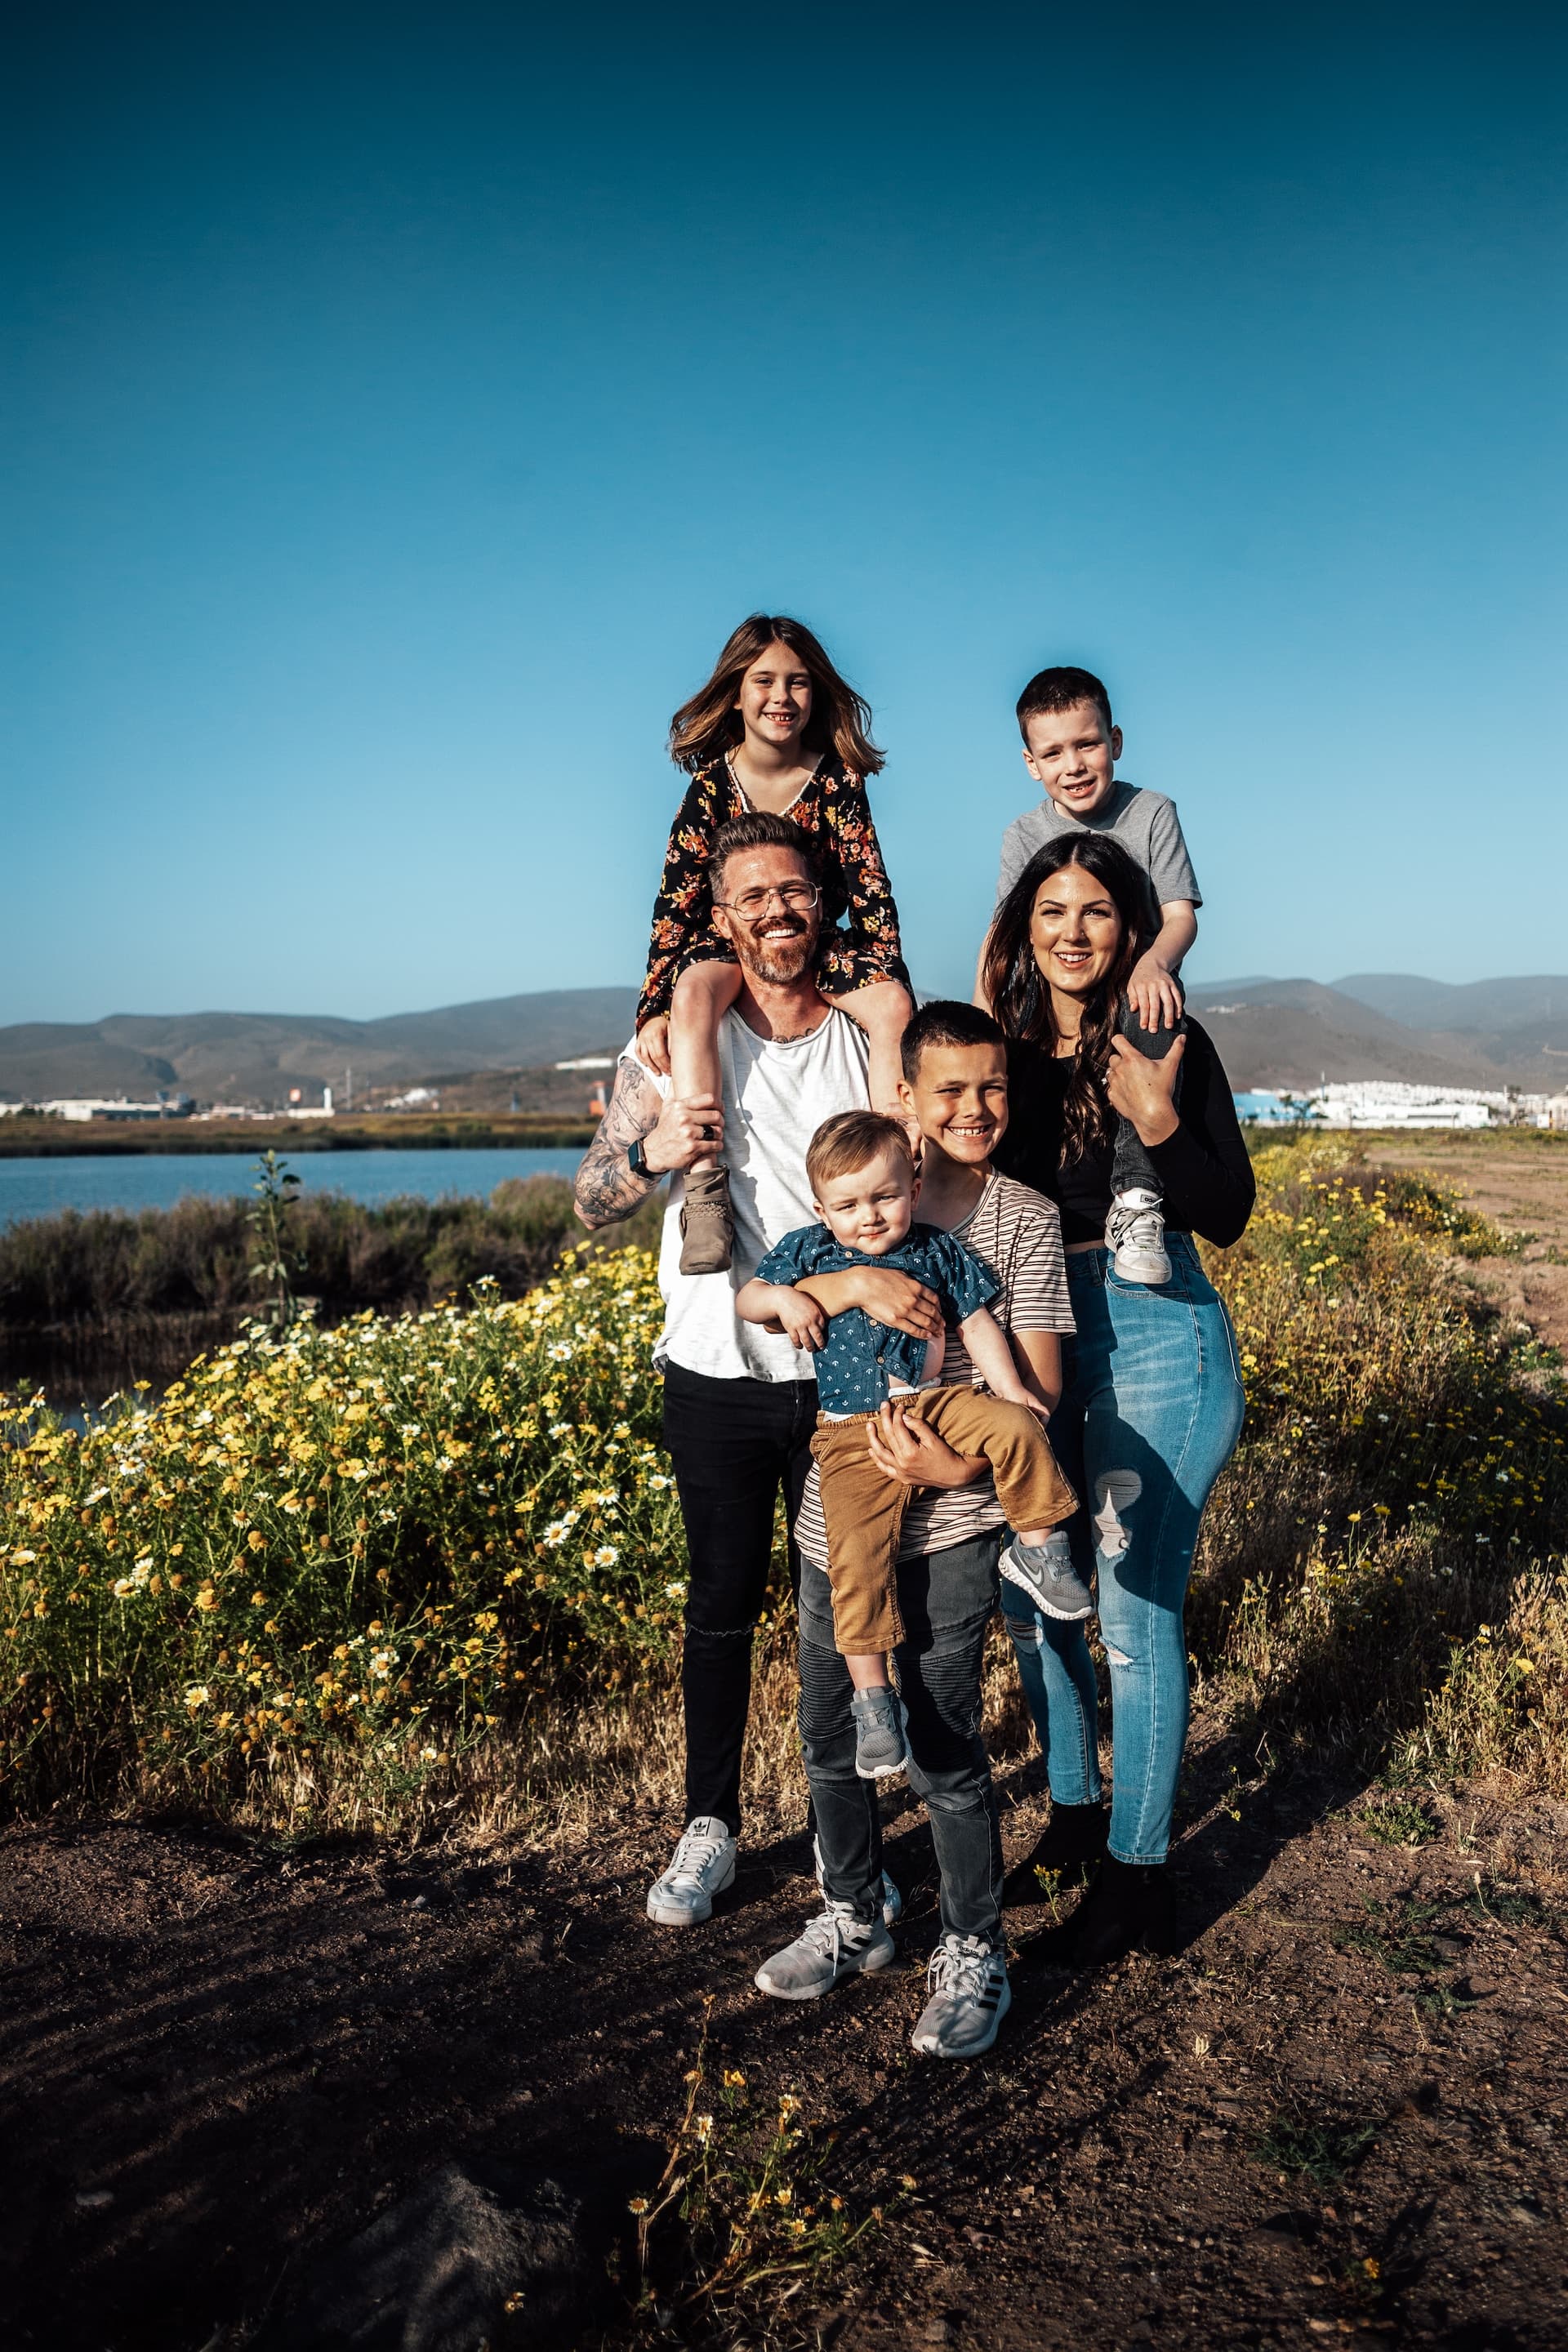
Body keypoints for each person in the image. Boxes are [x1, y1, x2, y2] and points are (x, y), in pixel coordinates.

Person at [574, 810, 893, 1931]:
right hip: (714, 1367)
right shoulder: (666, 1048)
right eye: (751, 896)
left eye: (795, 892)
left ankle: (839, 1834)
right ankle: (708, 1825)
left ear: (826, 905)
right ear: (719, 917)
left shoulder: (862, 1040)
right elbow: (590, 1197)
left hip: (845, 1372)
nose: (777, 912)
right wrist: (652, 1153)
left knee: (835, 1610)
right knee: (718, 1608)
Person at [752, 1002, 1077, 2059]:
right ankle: (855, 1911)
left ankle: (972, 1943)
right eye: (949, 1089)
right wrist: (845, 1280)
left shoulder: (1017, 1219)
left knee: (942, 1739)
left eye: (993, 1088)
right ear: (905, 1101)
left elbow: (1037, 1387)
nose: (975, 1109)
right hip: (833, 1512)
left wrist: (951, 1466)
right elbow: (765, 1299)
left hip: (958, 1516)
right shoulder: (849, 1203)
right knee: (831, 1728)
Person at [984, 832, 1254, 1965]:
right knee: (1036, 1592)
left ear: (1131, 927)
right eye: (1053, 911)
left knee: (1136, 1624)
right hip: (1035, 1331)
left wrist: (1152, 1109)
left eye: (1097, 910)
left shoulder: (1167, 1039)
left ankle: (1141, 1881)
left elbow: (1226, 1206)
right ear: (1022, 928)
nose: (1074, 932)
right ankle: (1077, 1816)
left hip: (1156, 1332)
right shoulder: (999, 1051)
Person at [736, 1109, 1085, 1780]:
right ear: (821, 1208)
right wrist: (789, 1303)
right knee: (856, 1560)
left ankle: (1042, 1551)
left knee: (1019, 1428)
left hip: (937, 1404)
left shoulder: (936, 1250)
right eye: (848, 1204)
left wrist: (1014, 1391)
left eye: (885, 1196)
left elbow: (977, 1323)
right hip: (849, 1432)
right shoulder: (808, 1251)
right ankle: (873, 1699)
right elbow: (750, 1299)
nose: (869, 1216)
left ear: (914, 1191)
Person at [635, 615, 913, 1278]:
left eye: (797, 682)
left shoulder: (839, 781)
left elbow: (870, 888)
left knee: (893, 1005)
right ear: (736, 692)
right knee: (695, 990)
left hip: (822, 940)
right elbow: (674, 904)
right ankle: (706, 1188)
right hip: (729, 942)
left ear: (816, 694)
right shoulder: (708, 788)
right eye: (763, 681)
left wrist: (886, 978)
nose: (780, 697)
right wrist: (651, 1007)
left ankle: (901, 1161)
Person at [981, 666, 1201, 1289]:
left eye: (1087, 744)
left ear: (1116, 742)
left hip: (1135, 994)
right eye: (1053, 752)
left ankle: (1136, 1202)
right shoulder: (1023, 834)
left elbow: (1180, 915)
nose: (1073, 765)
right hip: (1052, 999)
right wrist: (981, 1017)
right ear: (1031, 762)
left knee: (1153, 1006)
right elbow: (1002, 935)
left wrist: (1155, 961)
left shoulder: (1152, 811)